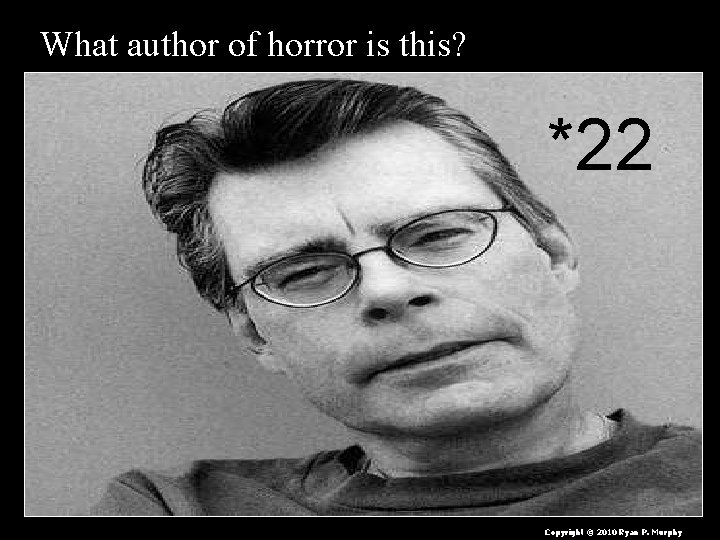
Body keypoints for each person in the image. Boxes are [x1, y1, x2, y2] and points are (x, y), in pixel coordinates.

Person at [90, 79, 701, 516]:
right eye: (305, 272)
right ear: (254, 334)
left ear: (553, 254)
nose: (390, 289)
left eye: (437, 236)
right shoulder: (175, 508)